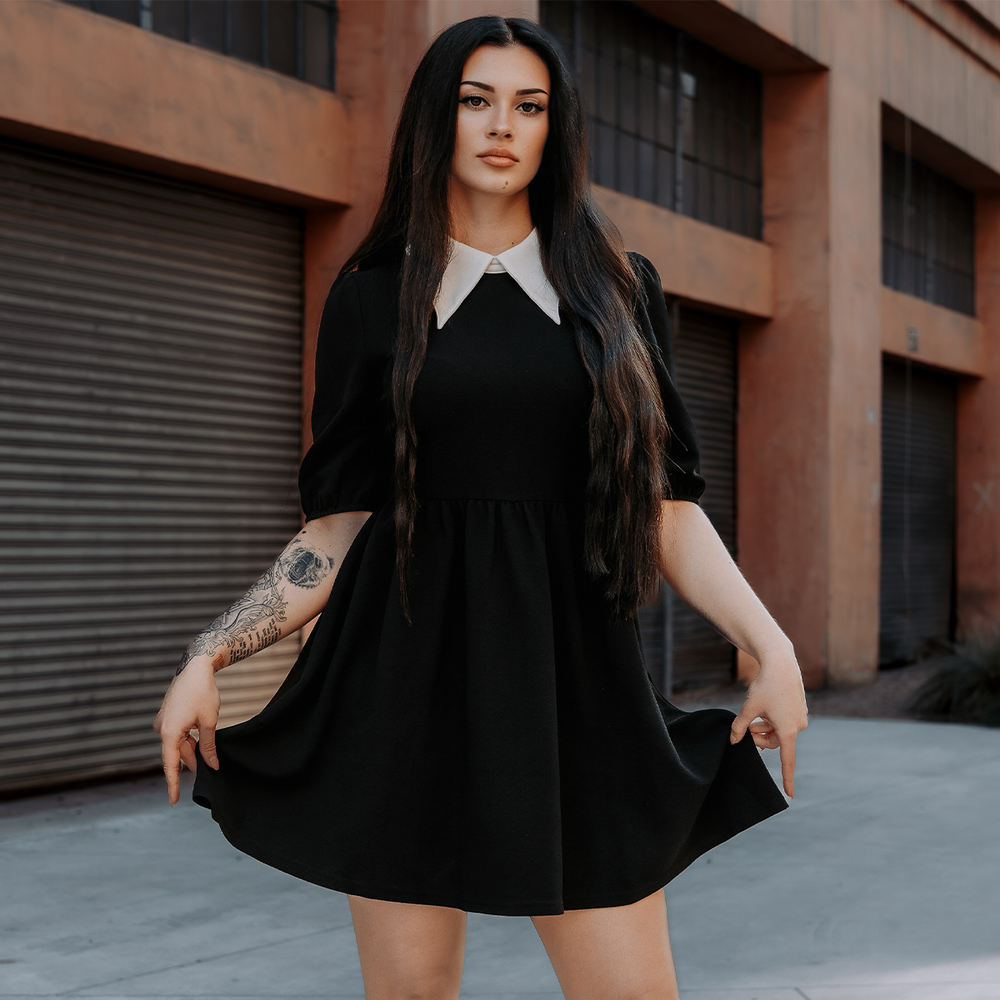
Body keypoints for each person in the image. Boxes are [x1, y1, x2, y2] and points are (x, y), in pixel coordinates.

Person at [154, 16, 808, 1000]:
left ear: (556, 130)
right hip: (401, 691)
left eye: (529, 105)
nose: (502, 125)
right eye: (476, 100)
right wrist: (212, 652)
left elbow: (666, 508)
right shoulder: (373, 299)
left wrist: (772, 642)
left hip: (572, 687)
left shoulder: (621, 291)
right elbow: (335, 529)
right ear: (437, 119)